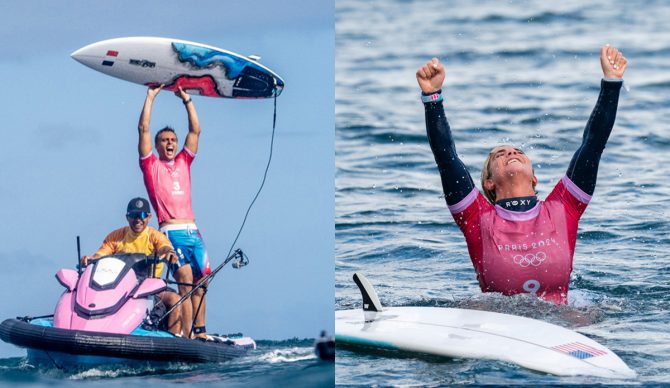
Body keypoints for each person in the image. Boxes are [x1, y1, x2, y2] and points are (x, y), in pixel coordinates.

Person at [416, 45, 628, 304]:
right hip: (499, 325)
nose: (510, 153)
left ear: (534, 178)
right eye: (499, 155)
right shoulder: (476, 217)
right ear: (489, 183)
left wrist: (611, 83)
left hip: (563, 321)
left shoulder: (564, 207)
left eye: (517, 151)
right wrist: (432, 96)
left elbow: (592, 144)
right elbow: (446, 158)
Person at [137, 85, 211, 339]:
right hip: (171, 231)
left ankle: (200, 332)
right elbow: (143, 129)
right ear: (157, 146)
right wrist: (150, 97)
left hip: (193, 230)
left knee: (202, 283)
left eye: (172, 140)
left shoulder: (184, 161)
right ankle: (188, 336)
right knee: (186, 283)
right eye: (164, 141)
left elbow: (196, 130)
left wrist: (187, 100)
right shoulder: (151, 166)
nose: (169, 144)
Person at [81, 197, 182, 335]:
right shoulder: (116, 236)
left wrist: (169, 253)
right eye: (133, 215)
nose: (138, 220)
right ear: (127, 217)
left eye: (142, 215)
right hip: (119, 287)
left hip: (149, 288)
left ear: (149, 217)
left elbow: (164, 247)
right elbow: (101, 255)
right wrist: (90, 259)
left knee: (175, 299)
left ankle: (174, 341)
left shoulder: (155, 236)